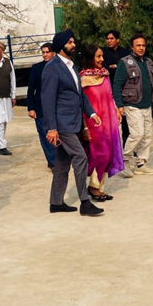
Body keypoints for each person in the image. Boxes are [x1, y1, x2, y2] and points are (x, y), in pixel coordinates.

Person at [41, 29, 104, 216]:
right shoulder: (52, 67)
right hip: (62, 124)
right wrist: (52, 128)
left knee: (62, 163)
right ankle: (85, 202)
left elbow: (79, 94)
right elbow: (47, 99)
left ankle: (56, 202)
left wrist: (91, 113)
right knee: (80, 157)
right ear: (61, 46)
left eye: (73, 41)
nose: (73, 44)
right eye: (69, 42)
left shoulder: (71, 66)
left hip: (73, 121)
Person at [112, 34, 153, 177]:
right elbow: (117, 84)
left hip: (146, 104)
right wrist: (119, 105)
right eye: (138, 45)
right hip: (132, 105)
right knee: (137, 134)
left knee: (146, 136)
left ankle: (141, 164)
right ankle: (124, 160)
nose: (141, 48)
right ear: (132, 47)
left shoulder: (148, 62)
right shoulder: (125, 63)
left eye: (143, 45)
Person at [79, 44, 125, 201]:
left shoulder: (105, 75)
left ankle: (99, 187)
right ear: (90, 58)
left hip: (109, 122)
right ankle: (93, 187)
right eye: (98, 56)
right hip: (94, 124)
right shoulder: (83, 79)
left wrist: (116, 110)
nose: (101, 59)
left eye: (102, 56)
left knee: (109, 153)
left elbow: (110, 95)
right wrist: (85, 127)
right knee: (100, 155)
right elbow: (81, 105)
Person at [26, 43, 56, 170]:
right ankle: (52, 161)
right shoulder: (36, 68)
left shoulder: (59, 67)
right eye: (43, 52)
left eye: (47, 52)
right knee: (45, 135)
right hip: (40, 107)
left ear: (53, 53)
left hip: (57, 106)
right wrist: (31, 108)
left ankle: (60, 160)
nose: (45, 55)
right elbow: (31, 89)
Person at [101, 30, 131, 146]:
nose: (109, 41)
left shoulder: (125, 53)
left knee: (126, 122)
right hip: (108, 90)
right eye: (107, 39)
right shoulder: (103, 53)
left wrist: (115, 67)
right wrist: (114, 68)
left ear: (117, 40)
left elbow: (127, 69)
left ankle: (127, 147)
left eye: (111, 38)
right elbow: (104, 69)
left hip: (124, 90)